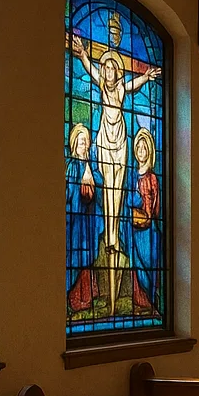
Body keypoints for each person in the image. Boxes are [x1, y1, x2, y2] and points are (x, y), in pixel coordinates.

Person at [69, 32, 161, 310]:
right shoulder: (101, 85)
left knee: (118, 188)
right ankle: (108, 233)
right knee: (106, 185)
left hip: (120, 140)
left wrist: (147, 76)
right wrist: (83, 53)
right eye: (106, 67)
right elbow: (89, 68)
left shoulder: (121, 89)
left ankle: (113, 234)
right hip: (104, 140)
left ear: (117, 73)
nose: (108, 71)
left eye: (112, 68)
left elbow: (134, 84)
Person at [65, 123, 102, 313]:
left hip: (88, 222)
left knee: (88, 256)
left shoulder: (91, 168)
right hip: (76, 222)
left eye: (86, 142)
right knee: (76, 257)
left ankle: (87, 298)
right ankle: (75, 299)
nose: (84, 146)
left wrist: (91, 174)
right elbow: (69, 194)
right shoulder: (72, 167)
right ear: (74, 145)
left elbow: (100, 187)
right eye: (81, 143)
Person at [124, 128, 162, 311]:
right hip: (134, 229)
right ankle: (139, 303)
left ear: (150, 151)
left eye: (144, 147)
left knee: (149, 266)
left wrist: (148, 217)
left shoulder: (153, 178)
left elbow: (156, 207)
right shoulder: (131, 176)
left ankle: (150, 302)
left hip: (150, 232)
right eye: (137, 147)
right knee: (136, 266)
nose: (140, 151)